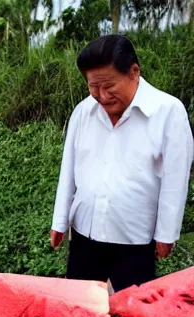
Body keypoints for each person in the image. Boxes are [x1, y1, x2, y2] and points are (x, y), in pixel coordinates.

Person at [50, 34, 193, 292]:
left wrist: (166, 233)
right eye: (94, 87)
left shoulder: (168, 112)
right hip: (85, 234)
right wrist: (60, 220)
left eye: (109, 86)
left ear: (134, 72)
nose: (102, 96)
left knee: (133, 316)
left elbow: (176, 177)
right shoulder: (83, 112)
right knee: (80, 309)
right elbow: (68, 167)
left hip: (135, 240)